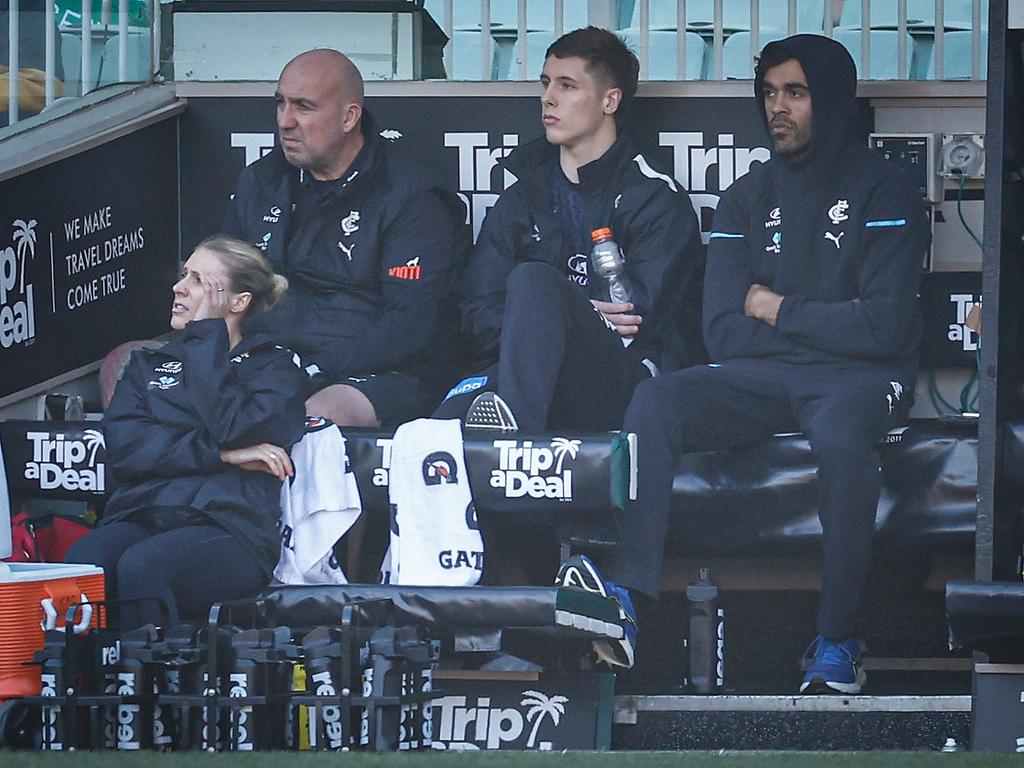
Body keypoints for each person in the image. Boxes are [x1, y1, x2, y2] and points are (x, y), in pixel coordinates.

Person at [560, 35, 930, 690]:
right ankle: (627, 598)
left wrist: (778, 309)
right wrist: (819, 323)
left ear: (834, 99)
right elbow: (723, 332)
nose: (777, 108)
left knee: (844, 434)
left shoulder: (887, 190)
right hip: (769, 376)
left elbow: (885, 326)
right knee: (659, 400)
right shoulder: (746, 196)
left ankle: (839, 641)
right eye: (768, 93)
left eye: (795, 92)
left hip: (863, 381)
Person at [434, 26, 704, 433]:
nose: (548, 98)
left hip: (621, 380)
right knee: (434, 430)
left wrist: (561, 313)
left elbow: (636, 325)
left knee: (531, 282)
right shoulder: (522, 197)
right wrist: (548, 320)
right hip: (518, 371)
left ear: (609, 100)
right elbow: (476, 315)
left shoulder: (654, 198)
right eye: (545, 84)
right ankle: (514, 431)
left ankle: (520, 450)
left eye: (567, 85)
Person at [67, 236, 307, 628]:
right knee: (82, 564)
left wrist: (208, 334)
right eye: (184, 275)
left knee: (143, 567)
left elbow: (233, 426)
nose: (178, 288)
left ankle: (151, 684)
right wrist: (222, 456)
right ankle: (84, 685)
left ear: (238, 302)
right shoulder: (148, 365)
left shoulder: (274, 368)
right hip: (146, 512)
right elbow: (128, 449)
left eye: (198, 280)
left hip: (228, 528)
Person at [222, 48, 466, 429]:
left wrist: (312, 369)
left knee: (317, 415)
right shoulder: (262, 180)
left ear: (349, 117)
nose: (285, 121)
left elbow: (408, 325)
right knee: (129, 369)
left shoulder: (411, 195)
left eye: (304, 107)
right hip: (270, 361)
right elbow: (223, 283)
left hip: (378, 372)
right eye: (280, 103)